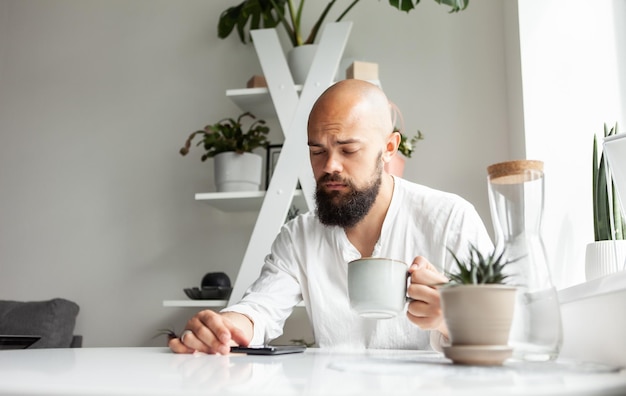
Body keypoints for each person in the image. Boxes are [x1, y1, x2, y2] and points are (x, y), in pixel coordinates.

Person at [169, 79, 492, 355]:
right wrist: (222, 329)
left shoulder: (451, 219)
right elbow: (260, 310)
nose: (329, 166)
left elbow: (507, 331)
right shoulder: (298, 237)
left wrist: (452, 318)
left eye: (348, 150)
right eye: (317, 151)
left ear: (390, 147)